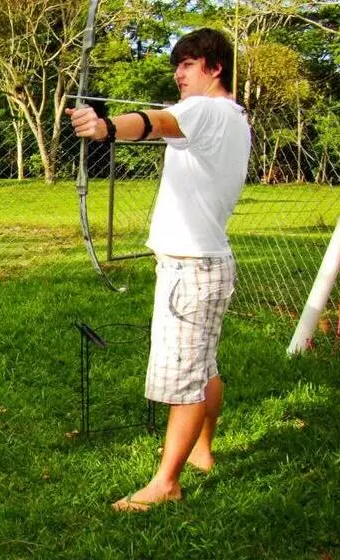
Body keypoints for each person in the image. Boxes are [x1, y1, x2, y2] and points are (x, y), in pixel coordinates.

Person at [67, 28, 251, 512]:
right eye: (178, 64)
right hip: (207, 262)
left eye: (188, 64)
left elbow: (156, 122)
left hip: (191, 270)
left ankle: (166, 483)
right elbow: (168, 122)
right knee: (205, 368)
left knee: (185, 380)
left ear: (214, 68)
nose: (178, 73)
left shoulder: (205, 109)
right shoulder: (233, 117)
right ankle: (203, 453)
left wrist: (104, 127)